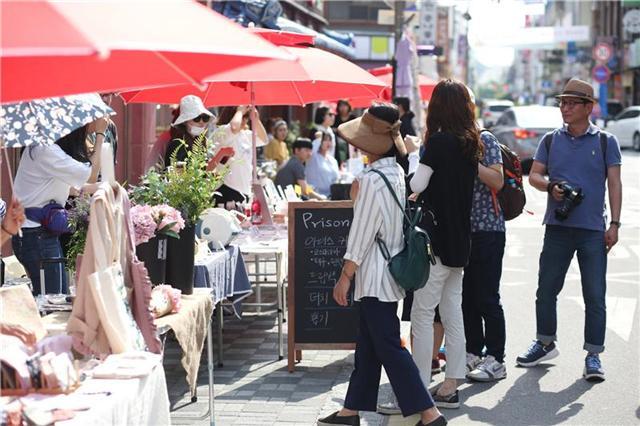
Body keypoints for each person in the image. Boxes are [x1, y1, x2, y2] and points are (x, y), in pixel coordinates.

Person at [317, 104, 446, 426]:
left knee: (387, 345)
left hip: (374, 275)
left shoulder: (371, 179)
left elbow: (361, 234)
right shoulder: (396, 173)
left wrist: (344, 277)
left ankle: (430, 413)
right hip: (390, 271)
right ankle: (351, 410)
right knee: (371, 344)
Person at [516, 78, 622, 382]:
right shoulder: (551, 140)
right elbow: (534, 175)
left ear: (589, 107)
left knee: (595, 295)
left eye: (572, 103)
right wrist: (551, 187)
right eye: (562, 102)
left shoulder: (605, 141)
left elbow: (614, 183)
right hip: (558, 228)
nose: (565, 108)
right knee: (546, 289)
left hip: (592, 230)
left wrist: (614, 224)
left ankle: (593, 355)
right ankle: (545, 342)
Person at [409, 79, 483, 409]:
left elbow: (417, 184)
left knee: (423, 313)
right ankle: (451, 384)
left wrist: (413, 157)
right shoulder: (471, 143)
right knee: (453, 312)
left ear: (438, 107)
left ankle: (418, 386)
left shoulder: (438, 143)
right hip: (460, 240)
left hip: (435, 241)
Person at [12, 117, 108, 295]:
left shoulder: (44, 148)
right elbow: (90, 176)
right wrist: (101, 134)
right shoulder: (45, 150)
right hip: (36, 235)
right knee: (53, 302)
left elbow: (73, 187)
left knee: (54, 297)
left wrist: (107, 188)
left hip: (36, 234)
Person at [462, 87, 508, 382]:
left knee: (487, 296)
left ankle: (496, 358)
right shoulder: (451, 141)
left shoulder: (485, 139)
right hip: (463, 231)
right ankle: (472, 352)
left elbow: (497, 180)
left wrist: (471, 162)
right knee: (466, 298)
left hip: (488, 229)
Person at [212, 105, 268, 209]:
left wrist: (256, 119)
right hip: (226, 189)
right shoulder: (222, 132)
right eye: (242, 116)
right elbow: (234, 127)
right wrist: (240, 111)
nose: (244, 120)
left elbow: (264, 139)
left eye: (246, 117)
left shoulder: (245, 135)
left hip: (244, 190)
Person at [165, 95, 214, 166]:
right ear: (185, 121)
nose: (201, 122)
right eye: (196, 118)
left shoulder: (200, 141)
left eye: (205, 118)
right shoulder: (177, 143)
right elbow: (177, 174)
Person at [306, 131, 340, 198]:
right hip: (315, 196)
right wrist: (318, 138)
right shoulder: (313, 157)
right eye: (325, 140)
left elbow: (336, 179)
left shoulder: (333, 160)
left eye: (330, 140)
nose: (328, 142)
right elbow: (313, 148)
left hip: (330, 197)